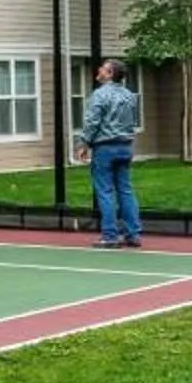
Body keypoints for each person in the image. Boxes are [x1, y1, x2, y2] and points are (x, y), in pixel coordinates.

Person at [75, 58, 143, 248]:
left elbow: (92, 122)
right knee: (125, 190)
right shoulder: (130, 95)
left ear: (111, 74)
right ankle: (133, 234)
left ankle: (110, 236)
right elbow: (132, 122)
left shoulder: (99, 95)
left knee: (104, 191)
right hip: (125, 146)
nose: (99, 70)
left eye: (103, 69)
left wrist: (84, 143)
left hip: (105, 147)